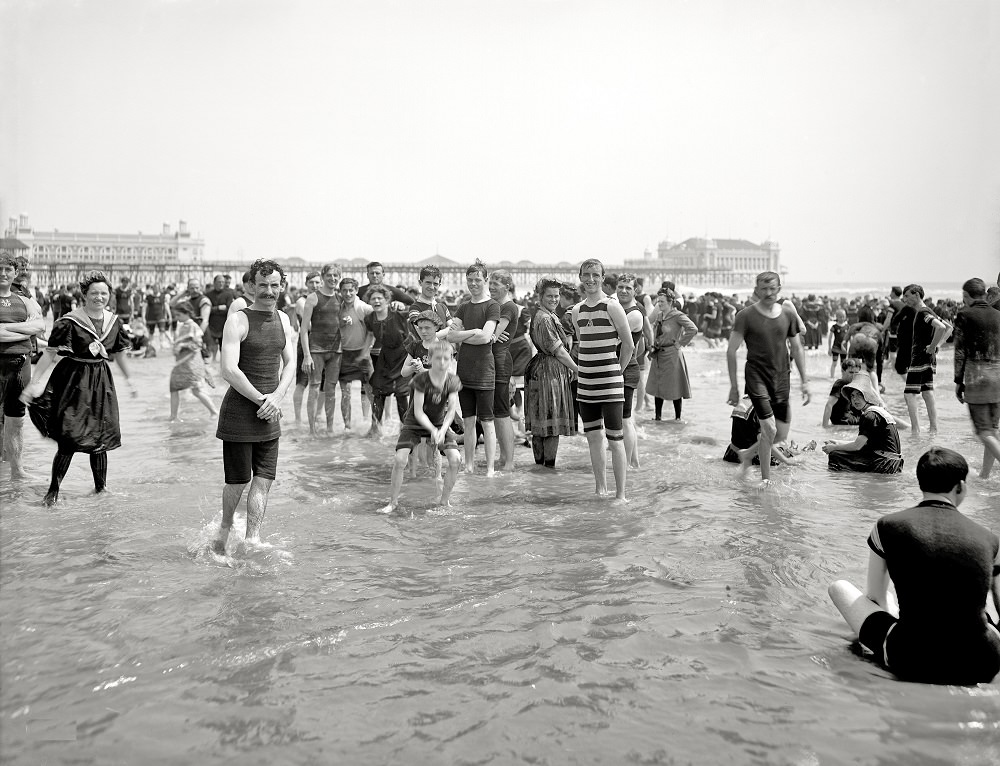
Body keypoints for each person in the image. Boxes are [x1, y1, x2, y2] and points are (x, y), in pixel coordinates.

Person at [828, 447, 1000, 684]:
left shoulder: (887, 526)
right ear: (960, 486)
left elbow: (876, 597)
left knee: (840, 588)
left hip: (911, 658)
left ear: (921, 483)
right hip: (982, 662)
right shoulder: (989, 538)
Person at [20, 271, 136, 505]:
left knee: (100, 436)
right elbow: (49, 354)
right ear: (84, 294)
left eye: (104, 293)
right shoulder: (69, 321)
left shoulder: (114, 322)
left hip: (101, 381)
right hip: (72, 380)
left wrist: (129, 379)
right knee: (70, 437)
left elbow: (119, 354)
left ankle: (101, 490)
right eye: (94, 293)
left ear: (109, 295)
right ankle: (52, 492)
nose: (99, 297)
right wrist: (34, 383)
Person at [212, 259, 296, 555]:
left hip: (269, 413)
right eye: (263, 285)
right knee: (238, 482)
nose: (269, 291)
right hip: (239, 413)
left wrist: (278, 397)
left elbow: (291, 364)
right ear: (251, 286)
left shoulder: (284, 320)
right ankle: (223, 530)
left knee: (263, 480)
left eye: (275, 285)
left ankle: (253, 540)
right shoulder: (238, 319)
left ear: (282, 286)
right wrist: (263, 399)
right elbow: (229, 370)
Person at [726, 271, 809, 485]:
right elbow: (731, 350)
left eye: (773, 288)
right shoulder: (745, 316)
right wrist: (734, 387)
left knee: (778, 435)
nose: (768, 293)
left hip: (782, 377)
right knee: (769, 428)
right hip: (756, 376)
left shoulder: (788, 314)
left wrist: (805, 382)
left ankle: (747, 455)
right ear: (757, 290)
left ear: (780, 288)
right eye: (764, 288)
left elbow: (797, 349)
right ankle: (765, 481)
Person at [572, 258, 634, 499]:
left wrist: (617, 372)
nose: (590, 279)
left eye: (595, 275)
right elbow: (582, 342)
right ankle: (600, 489)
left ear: (602, 277)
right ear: (580, 277)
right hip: (585, 384)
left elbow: (628, 345)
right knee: (593, 438)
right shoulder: (577, 311)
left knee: (615, 439)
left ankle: (620, 495)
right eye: (586, 275)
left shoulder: (612, 306)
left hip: (610, 384)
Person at [378, 340, 462, 513]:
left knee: (455, 459)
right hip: (414, 425)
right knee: (400, 459)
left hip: (440, 425)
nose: (442, 362)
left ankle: (444, 502)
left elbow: (451, 410)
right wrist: (432, 430)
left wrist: (442, 431)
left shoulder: (452, 380)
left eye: (446, 359)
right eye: (438, 359)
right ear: (429, 359)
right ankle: (392, 503)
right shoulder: (421, 379)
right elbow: (418, 412)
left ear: (452, 359)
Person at [447, 260, 499, 476]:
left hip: (485, 372)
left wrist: (467, 334)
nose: (473, 283)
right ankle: (468, 466)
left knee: (487, 422)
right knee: (468, 422)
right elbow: (450, 335)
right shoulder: (463, 306)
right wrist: (472, 332)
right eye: (470, 280)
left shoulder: (492, 306)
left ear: (486, 280)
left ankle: (489, 468)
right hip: (464, 371)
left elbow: (486, 337)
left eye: (478, 279)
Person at [524, 277, 578, 467]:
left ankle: (540, 470)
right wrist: (577, 369)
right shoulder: (546, 318)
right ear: (540, 296)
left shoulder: (544, 315)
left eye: (556, 296)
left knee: (540, 424)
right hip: (549, 372)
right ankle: (549, 469)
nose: (554, 299)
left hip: (540, 368)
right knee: (551, 423)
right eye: (549, 296)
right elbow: (559, 351)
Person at [0, 254, 45, 479]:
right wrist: (21, 329)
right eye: (0, 269)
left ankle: (17, 472)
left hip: (20, 366)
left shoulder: (24, 301)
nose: (3, 273)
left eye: (8, 269)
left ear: (15, 273)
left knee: (16, 420)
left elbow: (39, 325)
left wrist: (7, 329)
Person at [953, 277, 1000, 479]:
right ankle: (985, 475)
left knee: (983, 431)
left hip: (977, 376)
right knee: (992, 429)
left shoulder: (964, 314)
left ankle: (986, 473)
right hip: (998, 376)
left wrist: (958, 381)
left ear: (967, 296)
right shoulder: (998, 314)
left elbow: (960, 351)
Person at [821, 372, 903, 473]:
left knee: (835, 455)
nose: (855, 399)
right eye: (853, 396)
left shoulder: (869, 415)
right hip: (893, 463)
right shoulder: (877, 411)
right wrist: (838, 442)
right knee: (839, 451)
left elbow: (857, 446)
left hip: (884, 465)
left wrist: (835, 447)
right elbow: (863, 444)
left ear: (867, 396)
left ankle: (838, 485)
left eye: (859, 395)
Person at [300, 263, 343, 436]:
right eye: (329, 276)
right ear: (323, 276)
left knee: (331, 389)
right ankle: (312, 430)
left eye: (336, 276)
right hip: (316, 350)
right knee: (314, 388)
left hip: (336, 351)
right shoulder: (313, 298)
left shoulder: (341, 298)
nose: (333, 279)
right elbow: (303, 329)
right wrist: (306, 355)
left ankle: (330, 428)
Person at [364, 285, 412, 437]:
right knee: (378, 390)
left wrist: (404, 305)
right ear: (369, 301)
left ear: (387, 300)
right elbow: (369, 336)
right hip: (385, 357)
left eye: (380, 298)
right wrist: (363, 353)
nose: (376, 301)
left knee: (401, 393)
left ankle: (405, 428)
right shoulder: (370, 318)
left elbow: (416, 310)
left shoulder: (399, 314)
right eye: (373, 299)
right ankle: (374, 428)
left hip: (403, 355)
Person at [901, 284, 949, 434]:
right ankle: (933, 429)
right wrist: (936, 346)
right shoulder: (928, 311)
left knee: (909, 394)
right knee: (927, 392)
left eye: (907, 295)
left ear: (916, 295)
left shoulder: (922, 312)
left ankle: (915, 430)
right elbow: (949, 328)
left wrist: (932, 346)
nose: (905, 299)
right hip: (927, 358)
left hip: (920, 357)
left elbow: (941, 327)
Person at [615, 274, 650, 468]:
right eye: (620, 287)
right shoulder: (619, 307)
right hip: (625, 366)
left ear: (635, 291)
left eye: (628, 288)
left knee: (625, 420)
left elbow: (614, 336)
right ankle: (635, 461)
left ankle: (627, 464)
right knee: (628, 419)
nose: (623, 291)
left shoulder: (634, 314)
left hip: (625, 368)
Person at [647, 290, 697, 422]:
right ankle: (658, 417)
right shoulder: (659, 315)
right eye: (658, 301)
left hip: (672, 354)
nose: (659, 304)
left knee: (675, 386)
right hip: (659, 353)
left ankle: (678, 418)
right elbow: (655, 332)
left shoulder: (678, 316)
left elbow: (693, 329)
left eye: (662, 301)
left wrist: (681, 343)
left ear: (670, 302)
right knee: (658, 385)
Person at [488, 269, 520, 472]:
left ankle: (509, 461)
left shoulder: (508, 306)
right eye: (490, 283)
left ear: (507, 286)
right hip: (491, 360)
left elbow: (493, 334)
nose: (490, 287)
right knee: (495, 410)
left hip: (500, 360)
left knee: (501, 412)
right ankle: (502, 456)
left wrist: (490, 331)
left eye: (496, 284)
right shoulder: (495, 306)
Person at [336, 277, 374, 432]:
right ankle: (347, 427)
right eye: (344, 290)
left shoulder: (364, 308)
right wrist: (341, 323)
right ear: (341, 292)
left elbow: (373, 331)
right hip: (344, 354)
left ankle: (375, 425)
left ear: (356, 291)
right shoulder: (339, 308)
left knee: (371, 391)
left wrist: (366, 351)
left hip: (362, 354)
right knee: (345, 394)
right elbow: (333, 330)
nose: (348, 293)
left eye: (351, 290)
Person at [168, 301, 217, 421]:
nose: (177, 318)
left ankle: (214, 412)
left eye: (178, 315)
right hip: (182, 363)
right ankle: (173, 416)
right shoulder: (183, 325)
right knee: (177, 388)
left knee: (194, 390)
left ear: (186, 313)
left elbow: (197, 344)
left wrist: (182, 346)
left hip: (190, 364)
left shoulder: (192, 326)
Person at [293, 271, 321, 423]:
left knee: (319, 384)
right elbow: (309, 325)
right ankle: (298, 419)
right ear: (306, 284)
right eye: (312, 283)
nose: (315, 285)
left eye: (317, 282)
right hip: (305, 343)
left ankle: (317, 416)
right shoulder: (301, 302)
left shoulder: (322, 299)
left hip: (321, 344)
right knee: (302, 382)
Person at [822, 357, 865, 427]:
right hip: (842, 425)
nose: (853, 375)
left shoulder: (858, 384)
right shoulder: (840, 385)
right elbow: (829, 405)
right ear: (843, 371)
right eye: (851, 372)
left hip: (856, 425)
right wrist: (824, 426)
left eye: (856, 373)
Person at [205, 274, 235, 362]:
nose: (221, 284)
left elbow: (229, 309)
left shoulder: (229, 294)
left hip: (224, 325)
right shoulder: (208, 295)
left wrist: (214, 309)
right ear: (214, 283)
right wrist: (218, 308)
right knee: (211, 347)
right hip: (211, 325)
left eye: (222, 282)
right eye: (219, 282)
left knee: (224, 348)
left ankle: (222, 365)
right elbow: (207, 310)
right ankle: (212, 363)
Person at [828, 309, 849, 378]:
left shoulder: (847, 327)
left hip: (844, 349)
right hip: (835, 348)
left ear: (845, 317)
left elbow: (850, 338)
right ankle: (832, 378)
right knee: (834, 363)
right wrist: (829, 348)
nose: (842, 318)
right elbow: (830, 338)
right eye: (840, 317)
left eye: (843, 316)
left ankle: (843, 378)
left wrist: (851, 348)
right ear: (837, 317)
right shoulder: (834, 327)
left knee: (843, 364)